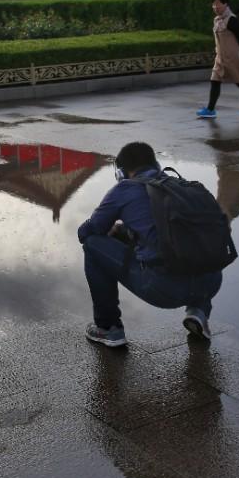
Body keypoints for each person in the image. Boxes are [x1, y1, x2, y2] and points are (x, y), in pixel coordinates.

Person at [77, 141, 222, 347]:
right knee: (191, 241)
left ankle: (109, 328)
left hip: (164, 289)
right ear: (156, 165)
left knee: (92, 245)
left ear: (120, 172)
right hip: (211, 284)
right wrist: (124, 231)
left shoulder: (124, 189)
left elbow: (88, 231)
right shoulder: (183, 187)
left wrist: (111, 230)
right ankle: (199, 311)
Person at [196, 0, 239, 118]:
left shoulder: (231, 19)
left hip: (232, 57)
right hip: (220, 57)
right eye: (213, 4)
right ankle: (210, 109)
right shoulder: (216, 20)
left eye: (218, 4)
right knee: (215, 80)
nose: (215, 7)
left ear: (225, 4)